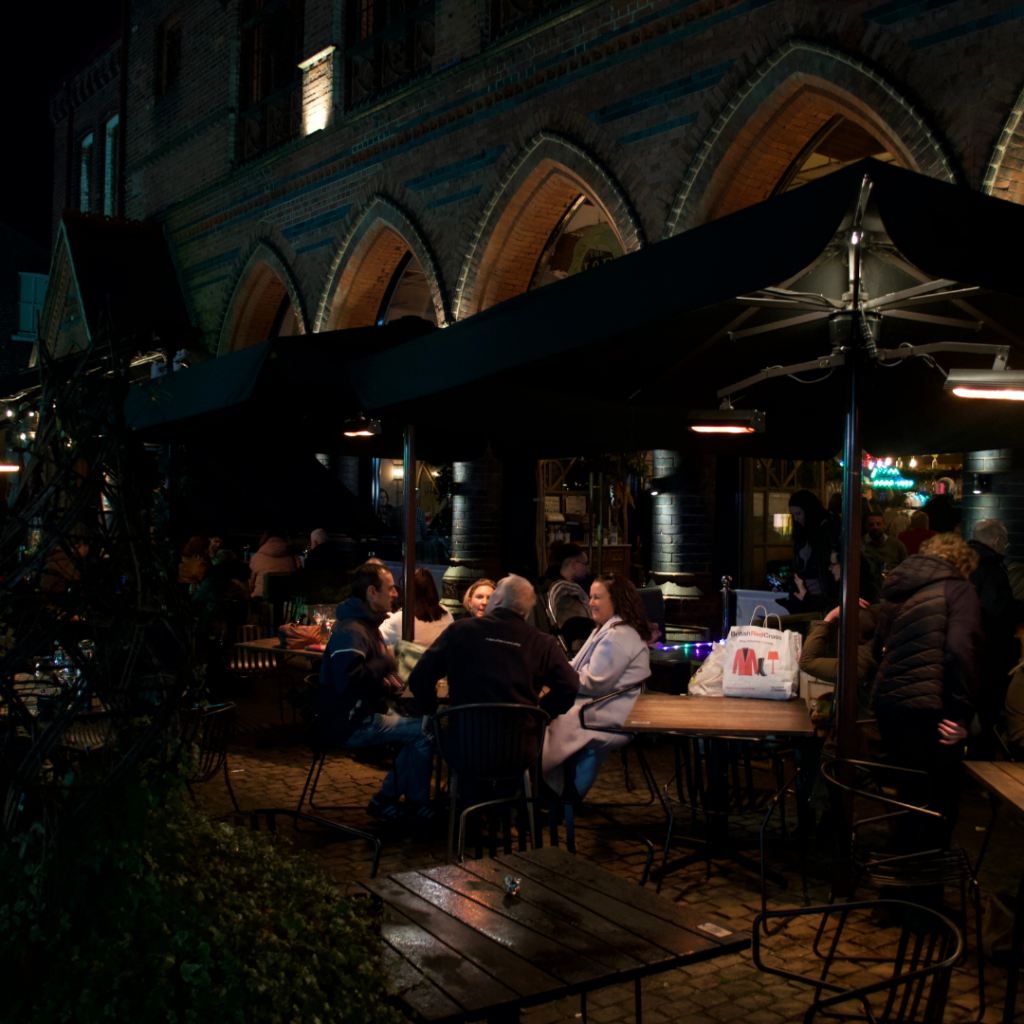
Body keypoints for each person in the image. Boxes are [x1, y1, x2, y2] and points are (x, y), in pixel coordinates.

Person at [870, 533, 983, 853]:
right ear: (963, 563)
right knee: (938, 803)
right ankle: (920, 891)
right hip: (931, 708)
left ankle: (900, 884)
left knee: (911, 797)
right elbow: (961, 651)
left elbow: (878, 649)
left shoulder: (899, 591)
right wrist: (961, 714)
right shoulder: (959, 589)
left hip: (891, 704)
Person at [315, 562, 434, 821]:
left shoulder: (365, 626)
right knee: (425, 732)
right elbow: (352, 684)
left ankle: (393, 799)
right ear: (371, 592)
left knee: (424, 725)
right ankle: (408, 803)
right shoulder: (351, 632)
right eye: (390, 589)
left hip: (359, 715)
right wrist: (389, 661)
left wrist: (394, 684)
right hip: (348, 724)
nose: (395, 594)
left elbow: (371, 677)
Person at [409, 574, 578, 722]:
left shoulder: (459, 631)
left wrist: (430, 709)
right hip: (520, 745)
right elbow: (570, 685)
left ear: (497, 600)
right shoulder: (543, 643)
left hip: (464, 742)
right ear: (527, 610)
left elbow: (419, 677)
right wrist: (546, 712)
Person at [542, 573, 651, 801]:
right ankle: (551, 788)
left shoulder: (618, 636)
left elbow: (595, 682)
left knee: (549, 716)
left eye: (597, 597)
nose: (590, 602)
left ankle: (552, 791)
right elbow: (577, 667)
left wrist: (556, 679)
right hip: (604, 703)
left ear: (617, 601)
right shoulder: (604, 631)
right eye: (590, 597)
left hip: (609, 711)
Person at [967, 519, 1024, 753]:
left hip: (967, 650)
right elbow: (997, 610)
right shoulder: (990, 566)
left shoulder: (963, 561)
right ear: (998, 540)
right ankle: (981, 769)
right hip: (989, 655)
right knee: (986, 714)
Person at [786, 490, 840, 613]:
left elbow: (832, 563)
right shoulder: (802, 533)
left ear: (809, 511)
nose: (796, 519)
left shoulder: (827, 529)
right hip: (808, 595)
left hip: (825, 597)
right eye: (793, 515)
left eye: (799, 514)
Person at [536, 543, 593, 652]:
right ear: (573, 564)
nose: (587, 569)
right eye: (585, 564)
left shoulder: (546, 585)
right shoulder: (566, 594)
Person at [381, 568, 454, 647]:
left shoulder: (401, 620)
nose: (395, 594)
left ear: (407, 592)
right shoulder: (446, 613)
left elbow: (379, 636)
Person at [248, 530, 298, 598]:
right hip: (286, 600)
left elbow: (251, 584)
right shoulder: (291, 557)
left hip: (261, 599)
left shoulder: (257, 556)